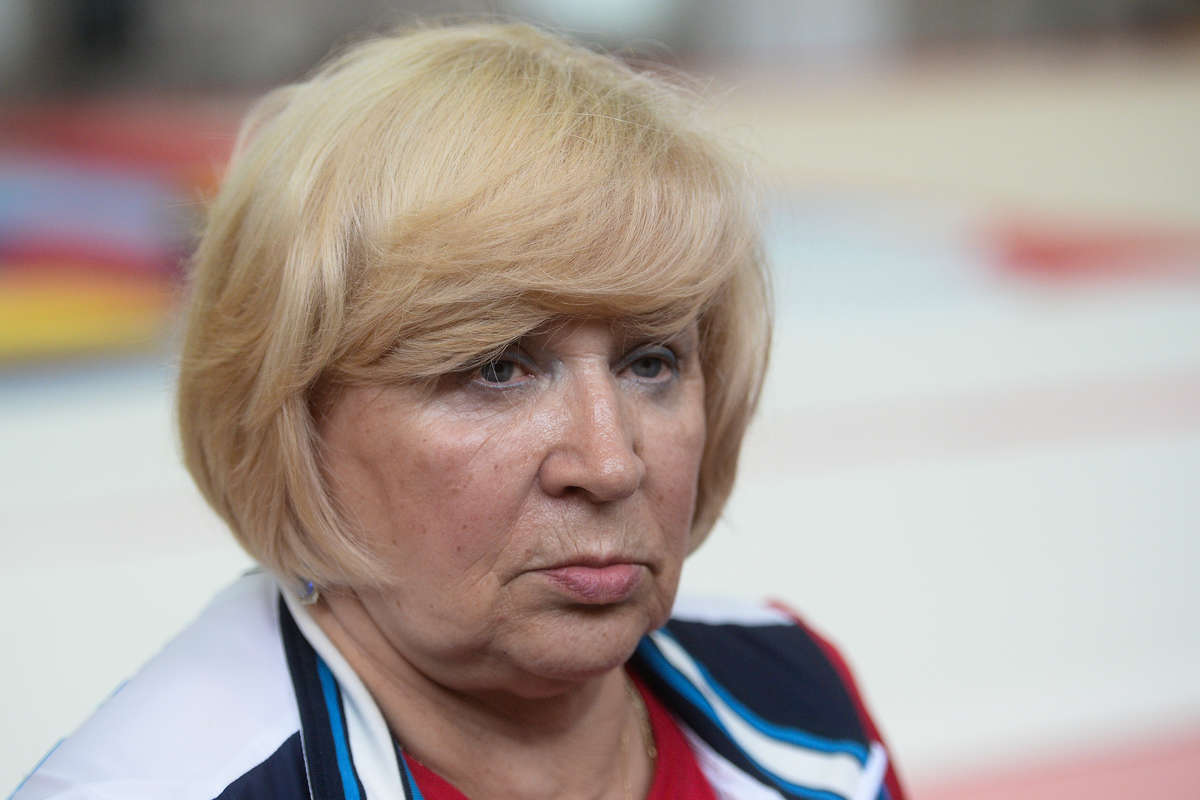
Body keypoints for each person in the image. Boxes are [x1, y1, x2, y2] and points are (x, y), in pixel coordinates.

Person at [14, 22, 906, 800]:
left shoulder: (797, 702)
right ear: (294, 421)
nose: (609, 464)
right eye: (497, 368)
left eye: (651, 362)